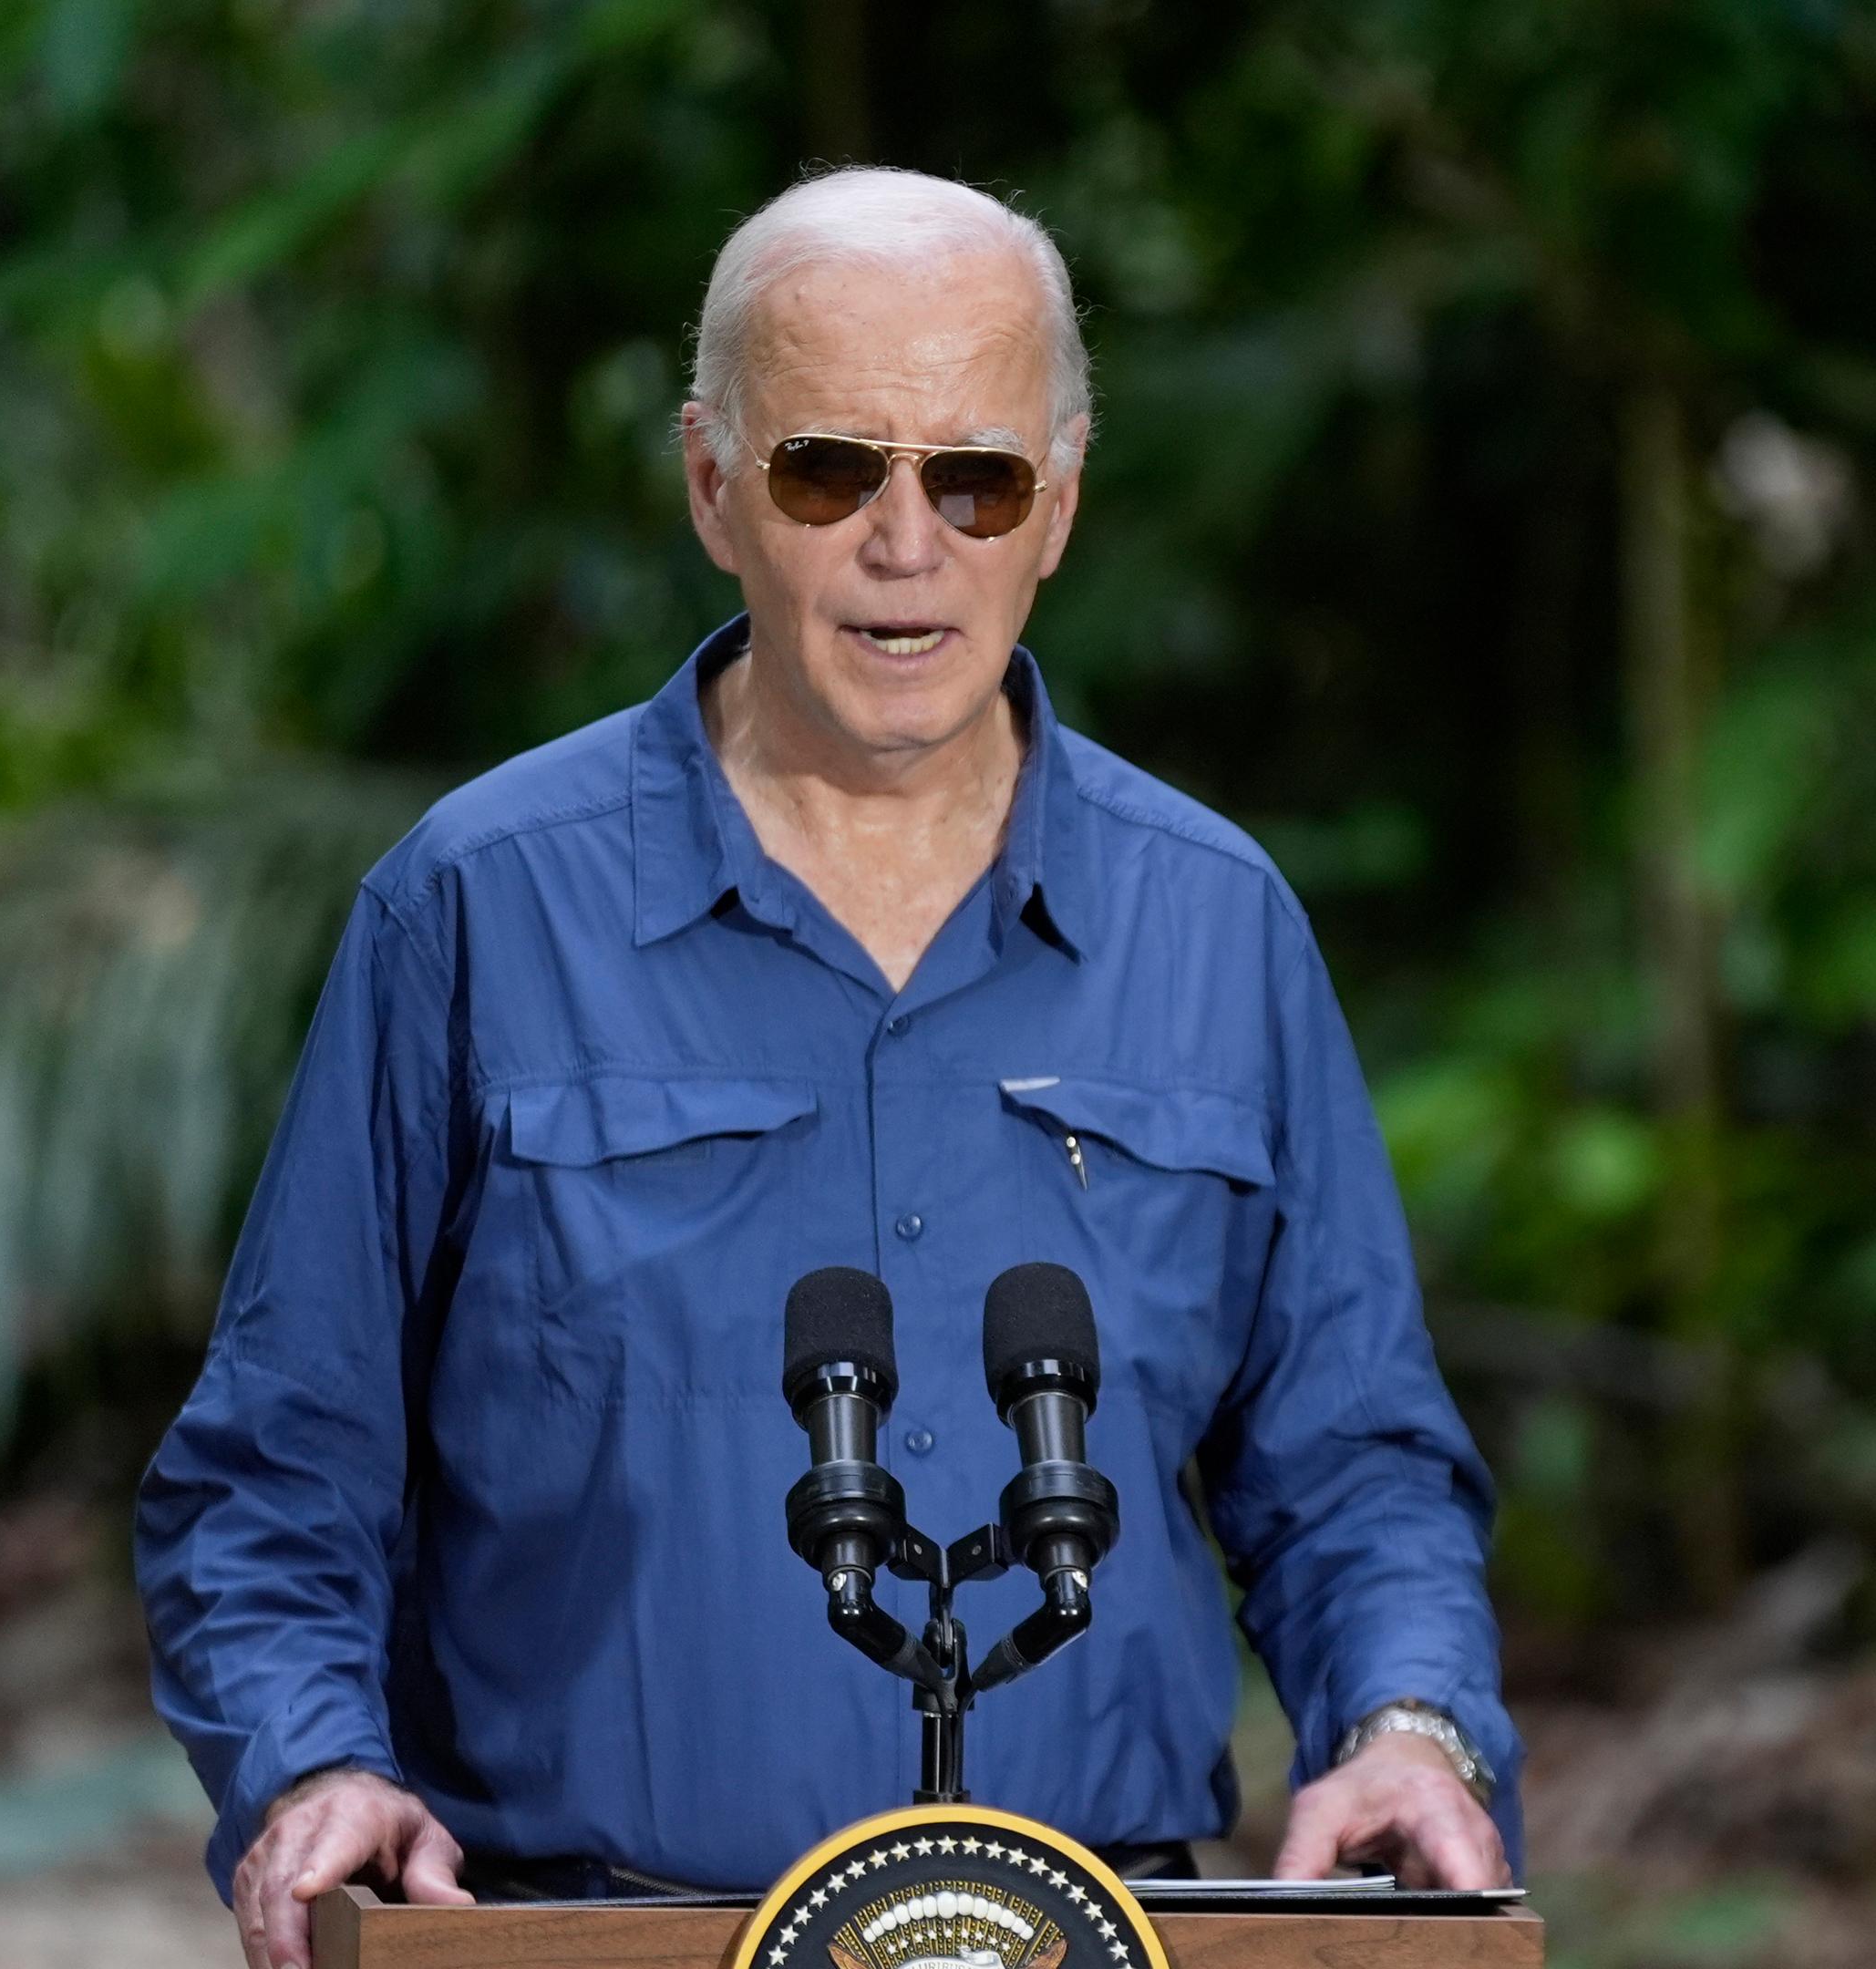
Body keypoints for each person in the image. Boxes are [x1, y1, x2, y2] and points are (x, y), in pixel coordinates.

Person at [134, 168, 1520, 1969]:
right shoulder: (480, 908)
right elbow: (277, 1473)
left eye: (974, 476)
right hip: (595, 1940)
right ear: (712, 484)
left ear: (1062, 504)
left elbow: (1355, 1472)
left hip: (1106, 1928)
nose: (904, 542)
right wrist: (315, 1763)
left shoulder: (1218, 926)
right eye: (827, 469)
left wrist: (1409, 1729)